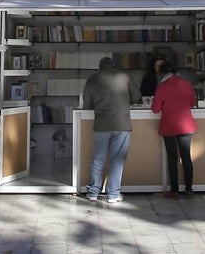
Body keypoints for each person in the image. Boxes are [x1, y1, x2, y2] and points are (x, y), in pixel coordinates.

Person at [81, 56, 141, 203]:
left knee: (98, 159)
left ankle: (93, 193)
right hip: (122, 124)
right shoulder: (124, 75)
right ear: (113, 66)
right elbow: (136, 97)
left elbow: (87, 104)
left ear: (100, 67)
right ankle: (113, 195)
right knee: (117, 160)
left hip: (101, 125)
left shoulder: (92, 79)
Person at [151, 61, 197, 197]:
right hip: (186, 125)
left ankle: (174, 190)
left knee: (172, 158)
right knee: (186, 157)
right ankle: (189, 189)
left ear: (162, 73)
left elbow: (155, 109)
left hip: (169, 126)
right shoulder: (186, 84)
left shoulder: (162, 87)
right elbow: (192, 103)